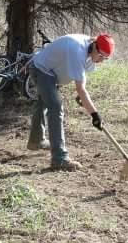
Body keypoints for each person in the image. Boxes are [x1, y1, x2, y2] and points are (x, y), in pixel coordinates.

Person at [27, 33, 115, 171]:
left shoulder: (91, 53)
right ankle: (59, 159)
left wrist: (82, 96)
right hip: (41, 69)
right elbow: (80, 89)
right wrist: (95, 115)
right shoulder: (78, 50)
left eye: (106, 58)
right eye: (101, 56)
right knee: (55, 106)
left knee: (45, 102)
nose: (102, 60)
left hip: (52, 72)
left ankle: (36, 141)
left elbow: (82, 80)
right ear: (95, 47)